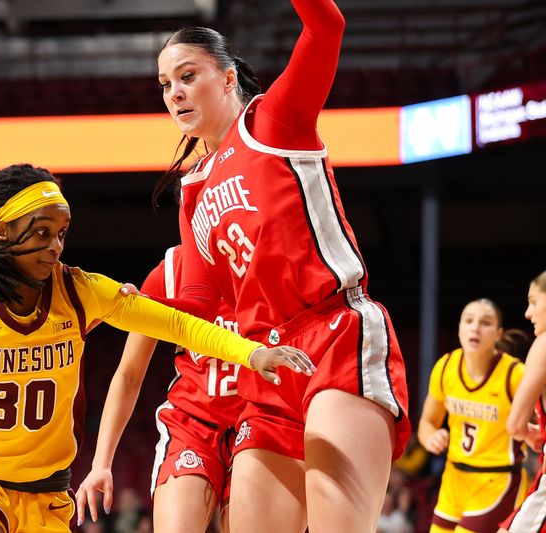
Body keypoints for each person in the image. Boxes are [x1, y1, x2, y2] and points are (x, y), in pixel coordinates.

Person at [0, 163, 314, 533]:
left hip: (49, 493)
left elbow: (178, 325)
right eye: (42, 232)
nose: (56, 246)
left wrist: (251, 354)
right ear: (1, 231)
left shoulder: (80, 292)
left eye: (61, 233)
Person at [142, 0, 410, 530]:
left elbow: (327, 26)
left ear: (226, 76)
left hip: (333, 330)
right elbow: (192, 310)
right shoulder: (191, 193)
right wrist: (98, 303)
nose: (174, 92)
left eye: (187, 76)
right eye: (164, 84)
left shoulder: (273, 120)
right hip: (267, 362)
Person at [76, 245, 243, 532]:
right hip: (192, 424)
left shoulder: (267, 263)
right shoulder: (169, 272)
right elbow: (129, 374)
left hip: (257, 421)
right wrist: (100, 464)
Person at [418, 299, 529, 533]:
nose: (475, 328)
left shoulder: (515, 375)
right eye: (468, 321)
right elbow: (427, 423)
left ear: (498, 334)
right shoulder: (445, 366)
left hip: (497, 481)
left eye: (485, 323)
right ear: (459, 328)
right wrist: (430, 437)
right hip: (454, 480)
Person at [500, 271, 546, 533]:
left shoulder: (543, 344)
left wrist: (530, 432)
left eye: (534, 301)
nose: (528, 313)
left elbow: (516, 424)